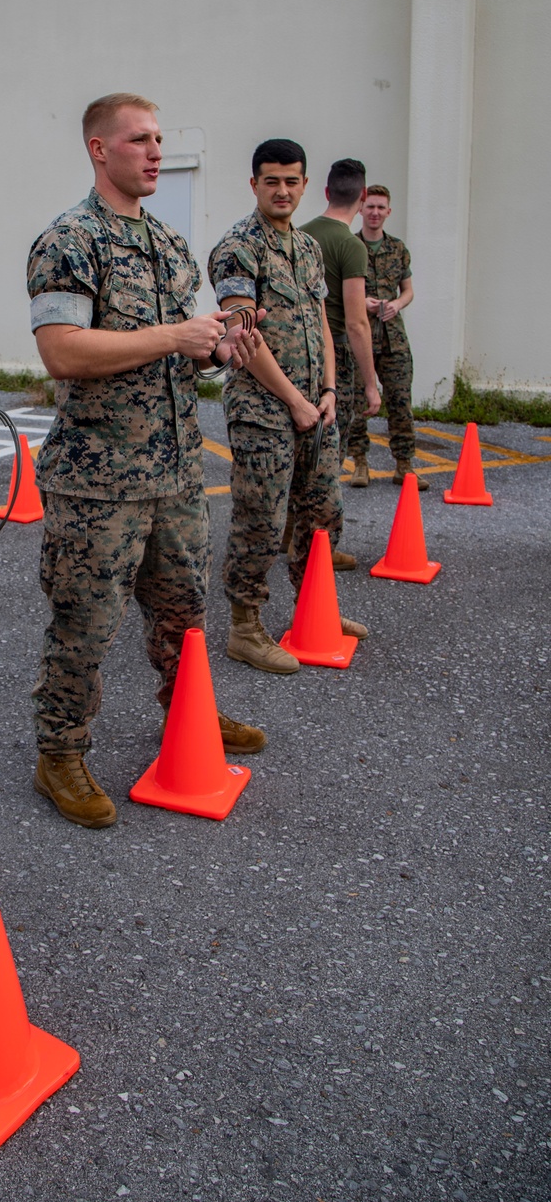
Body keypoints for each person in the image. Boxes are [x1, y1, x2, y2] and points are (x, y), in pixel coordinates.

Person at [26, 92, 266, 829]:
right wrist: (173, 337)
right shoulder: (69, 240)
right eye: (140, 140)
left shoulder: (166, 244)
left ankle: (187, 716)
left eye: (160, 138)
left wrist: (218, 347)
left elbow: (179, 356)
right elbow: (62, 350)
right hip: (100, 483)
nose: (156, 151)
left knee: (185, 612)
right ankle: (59, 754)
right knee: (84, 625)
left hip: (174, 472)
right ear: (100, 150)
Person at [208, 139, 368, 676]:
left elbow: (320, 320)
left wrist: (325, 391)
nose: (282, 190)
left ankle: (314, 609)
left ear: (305, 185)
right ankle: (245, 627)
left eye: (292, 180)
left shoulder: (307, 247)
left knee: (322, 513)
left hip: (313, 404)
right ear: (254, 184)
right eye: (271, 180)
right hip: (263, 409)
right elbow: (243, 333)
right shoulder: (238, 247)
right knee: (262, 517)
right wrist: (296, 401)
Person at [300, 159, 381, 564]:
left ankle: (288, 535)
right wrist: (370, 382)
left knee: (300, 451)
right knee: (328, 457)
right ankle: (320, 549)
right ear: (362, 197)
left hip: (300, 354)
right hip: (336, 363)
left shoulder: (301, 234)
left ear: (326, 192)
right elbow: (356, 322)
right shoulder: (351, 245)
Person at [348, 184, 427, 489]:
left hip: (393, 338)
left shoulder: (397, 248)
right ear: (361, 209)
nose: (375, 213)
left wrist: (397, 303)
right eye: (370, 207)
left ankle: (404, 465)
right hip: (361, 336)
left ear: (388, 212)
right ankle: (360, 463)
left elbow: (408, 291)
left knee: (400, 402)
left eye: (381, 208)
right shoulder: (350, 246)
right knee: (358, 403)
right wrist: (362, 303)